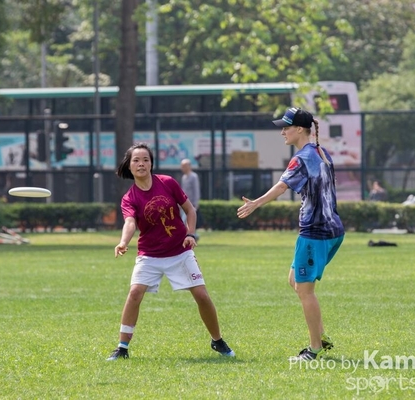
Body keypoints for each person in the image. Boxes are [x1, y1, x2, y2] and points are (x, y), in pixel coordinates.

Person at [108, 143, 234, 361]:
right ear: (129, 166)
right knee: (135, 293)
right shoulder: (129, 198)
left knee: (202, 295)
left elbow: (190, 210)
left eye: (146, 160)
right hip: (149, 255)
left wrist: (190, 233)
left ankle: (217, 340)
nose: (141, 164)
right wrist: (123, 242)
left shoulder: (167, 182)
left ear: (151, 163)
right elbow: (130, 223)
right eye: (136, 160)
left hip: (180, 250)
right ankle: (122, 347)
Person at [237, 107, 344, 361]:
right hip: (333, 230)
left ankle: (314, 348)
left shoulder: (301, 158)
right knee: (294, 280)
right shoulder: (321, 151)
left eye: (286, 127)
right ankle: (321, 336)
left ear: (299, 129)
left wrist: (255, 203)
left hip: (315, 232)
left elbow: (281, 186)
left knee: (305, 290)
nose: (282, 132)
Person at [180, 158, 202, 236]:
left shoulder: (194, 176)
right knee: (183, 222)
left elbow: (196, 190)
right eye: (182, 166)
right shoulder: (184, 177)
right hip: (183, 204)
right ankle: (192, 236)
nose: (182, 168)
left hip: (191, 204)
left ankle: (193, 236)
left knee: (188, 222)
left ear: (189, 166)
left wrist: (196, 204)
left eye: (184, 166)